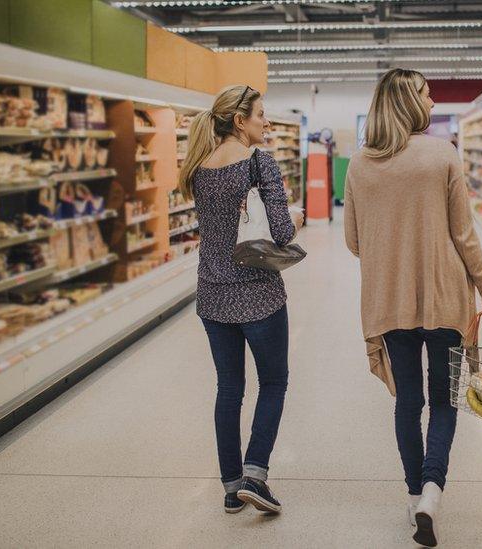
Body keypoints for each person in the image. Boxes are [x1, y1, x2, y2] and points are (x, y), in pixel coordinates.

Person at [343, 69, 482, 548]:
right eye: (427, 95)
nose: (433, 102)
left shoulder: (358, 164)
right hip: (445, 298)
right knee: (443, 400)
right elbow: (464, 236)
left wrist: (392, 243)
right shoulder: (442, 155)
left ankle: (414, 491)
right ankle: (433, 492)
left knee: (407, 401)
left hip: (389, 300)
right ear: (409, 103)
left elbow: (354, 242)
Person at [180, 84, 302, 516]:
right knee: (274, 383)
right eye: (260, 115)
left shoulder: (198, 168)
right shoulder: (259, 162)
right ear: (239, 121)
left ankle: (232, 488)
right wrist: (299, 217)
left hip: (212, 296)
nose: (267, 123)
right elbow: (282, 233)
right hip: (257, 296)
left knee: (229, 388)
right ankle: (256, 475)